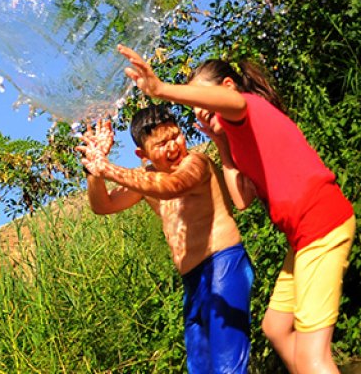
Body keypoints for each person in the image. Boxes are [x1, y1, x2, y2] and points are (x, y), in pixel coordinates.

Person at [117, 44, 355, 374]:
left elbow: (235, 102)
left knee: (315, 356)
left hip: (321, 224)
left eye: (202, 99)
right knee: (276, 327)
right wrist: (221, 142)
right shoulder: (236, 135)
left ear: (227, 87)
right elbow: (242, 201)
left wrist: (160, 89)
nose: (199, 109)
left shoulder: (248, 107)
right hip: (302, 238)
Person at [79, 105, 253, 374]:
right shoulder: (146, 178)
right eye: (161, 144)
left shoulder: (195, 163)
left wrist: (109, 169)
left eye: (175, 136)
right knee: (202, 370)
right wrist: (94, 171)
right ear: (142, 153)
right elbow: (103, 205)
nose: (173, 147)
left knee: (228, 368)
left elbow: (173, 187)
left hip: (224, 266)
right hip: (192, 283)